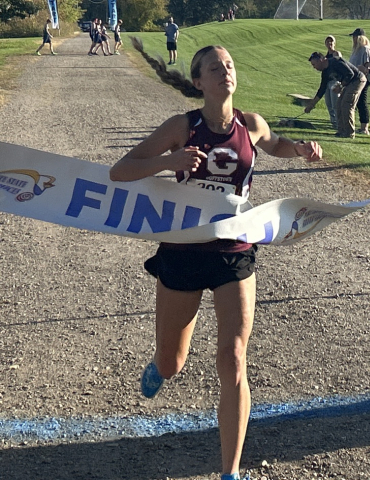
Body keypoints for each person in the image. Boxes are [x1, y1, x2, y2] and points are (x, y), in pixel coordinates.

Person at [110, 39, 322, 480]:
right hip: (183, 253)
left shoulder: (251, 123)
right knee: (173, 363)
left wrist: (299, 148)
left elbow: (275, 143)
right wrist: (171, 160)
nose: (226, 70)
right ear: (198, 81)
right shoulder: (181, 126)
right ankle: (159, 365)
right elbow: (121, 170)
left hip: (235, 252)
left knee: (233, 358)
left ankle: (231, 471)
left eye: (229, 64)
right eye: (215, 66)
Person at [305, 52, 366, 138]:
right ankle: (341, 131)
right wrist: (311, 105)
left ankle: (349, 133)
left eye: (314, 64)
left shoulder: (336, 62)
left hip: (357, 80)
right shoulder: (325, 72)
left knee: (346, 105)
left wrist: (341, 86)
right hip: (349, 83)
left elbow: (350, 74)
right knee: (339, 104)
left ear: (321, 60)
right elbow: (322, 89)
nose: (314, 67)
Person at [349, 32, 370, 135]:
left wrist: (364, 70)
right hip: (356, 78)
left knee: (362, 102)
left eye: (355, 37)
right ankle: (362, 125)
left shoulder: (365, 49)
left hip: (363, 79)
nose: (353, 39)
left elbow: (369, 64)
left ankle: (365, 127)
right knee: (358, 102)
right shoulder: (356, 50)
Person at [324, 35, 342, 130]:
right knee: (329, 104)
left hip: (335, 81)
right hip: (328, 82)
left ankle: (339, 124)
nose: (329, 43)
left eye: (331, 42)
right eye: (327, 42)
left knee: (335, 104)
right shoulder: (326, 56)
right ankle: (333, 123)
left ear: (334, 43)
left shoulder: (336, 54)